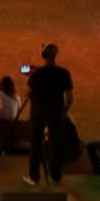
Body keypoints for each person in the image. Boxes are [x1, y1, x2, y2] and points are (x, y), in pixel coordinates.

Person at [24, 45, 72, 184]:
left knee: (35, 144)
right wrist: (64, 111)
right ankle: (56, 174)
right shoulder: (63, 73)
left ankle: (34, 176)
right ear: (55, 56)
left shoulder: (37, 74)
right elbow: (69, 97)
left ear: (42, 56)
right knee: (56, 143)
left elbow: (27, 92)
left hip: (38, 112)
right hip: (56, 113)